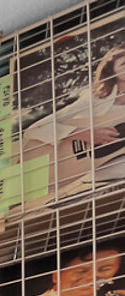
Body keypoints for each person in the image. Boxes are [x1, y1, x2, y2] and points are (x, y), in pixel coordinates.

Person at [21, 45, 125, 195]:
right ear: (112, 71)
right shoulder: (94, 99)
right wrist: (81, 133)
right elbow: (35, 129)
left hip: (100, 175)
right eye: (124, 64)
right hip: (68, 161)